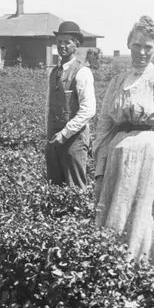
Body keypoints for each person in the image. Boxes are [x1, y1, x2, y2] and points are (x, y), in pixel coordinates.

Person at [89, 16, 154, 265]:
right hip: (117, 163)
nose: (142, 52)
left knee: (145, 228)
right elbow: (104, 130)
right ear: (128, 44)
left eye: (148, 47)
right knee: (114, 228)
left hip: (150, 163)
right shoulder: (116, 82)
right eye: (137, 45)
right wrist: (100, 174)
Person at [45, 21, 99, 187]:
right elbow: (48, 106)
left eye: (66, 42)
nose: (62, 46)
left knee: (74, 188)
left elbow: (88, 110)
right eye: (59, 42)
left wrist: (65, 133)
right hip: (54, 139)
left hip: (73, 141)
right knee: (54, 187)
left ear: (76, 45)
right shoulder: (53, 72)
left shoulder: (82, 72)